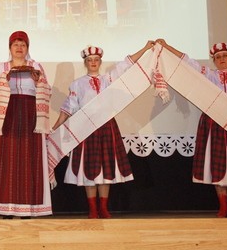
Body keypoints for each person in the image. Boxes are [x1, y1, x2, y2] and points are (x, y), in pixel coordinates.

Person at [156, 39, 227, 218]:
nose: (222, 59)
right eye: (218, 57)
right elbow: (187, 62)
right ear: (214, 61)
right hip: (213, 125)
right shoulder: (209, 75)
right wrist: (167, 47)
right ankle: (223, 207)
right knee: (217, 165)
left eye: (225, 56)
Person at [52, 42, 155, 218]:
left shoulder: (109, 79)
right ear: (85, 62)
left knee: (105, 170)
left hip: (106, 127)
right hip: (86, 130)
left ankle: (103, 208)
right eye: (90, 60)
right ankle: (93, 209)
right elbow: (68, 108)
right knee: (89, 171)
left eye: (96, 59)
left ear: (100, 62)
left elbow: (127, 64)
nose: (93, 62)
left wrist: (145, 48)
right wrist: (55, 127)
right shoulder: (77, 84)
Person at [0, 31, 52, 218]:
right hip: (8, 114)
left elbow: (47, 90)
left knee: (30, 157)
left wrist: (38, 79)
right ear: (10, 48)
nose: (19, 48)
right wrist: (5, 78)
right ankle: (6, 208)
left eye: (23, 45)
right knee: (6, 158)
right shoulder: (1, 67)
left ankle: (28, 207)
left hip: (30, 114)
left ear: (27, 48)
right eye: (16, 45)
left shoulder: (36, 66)